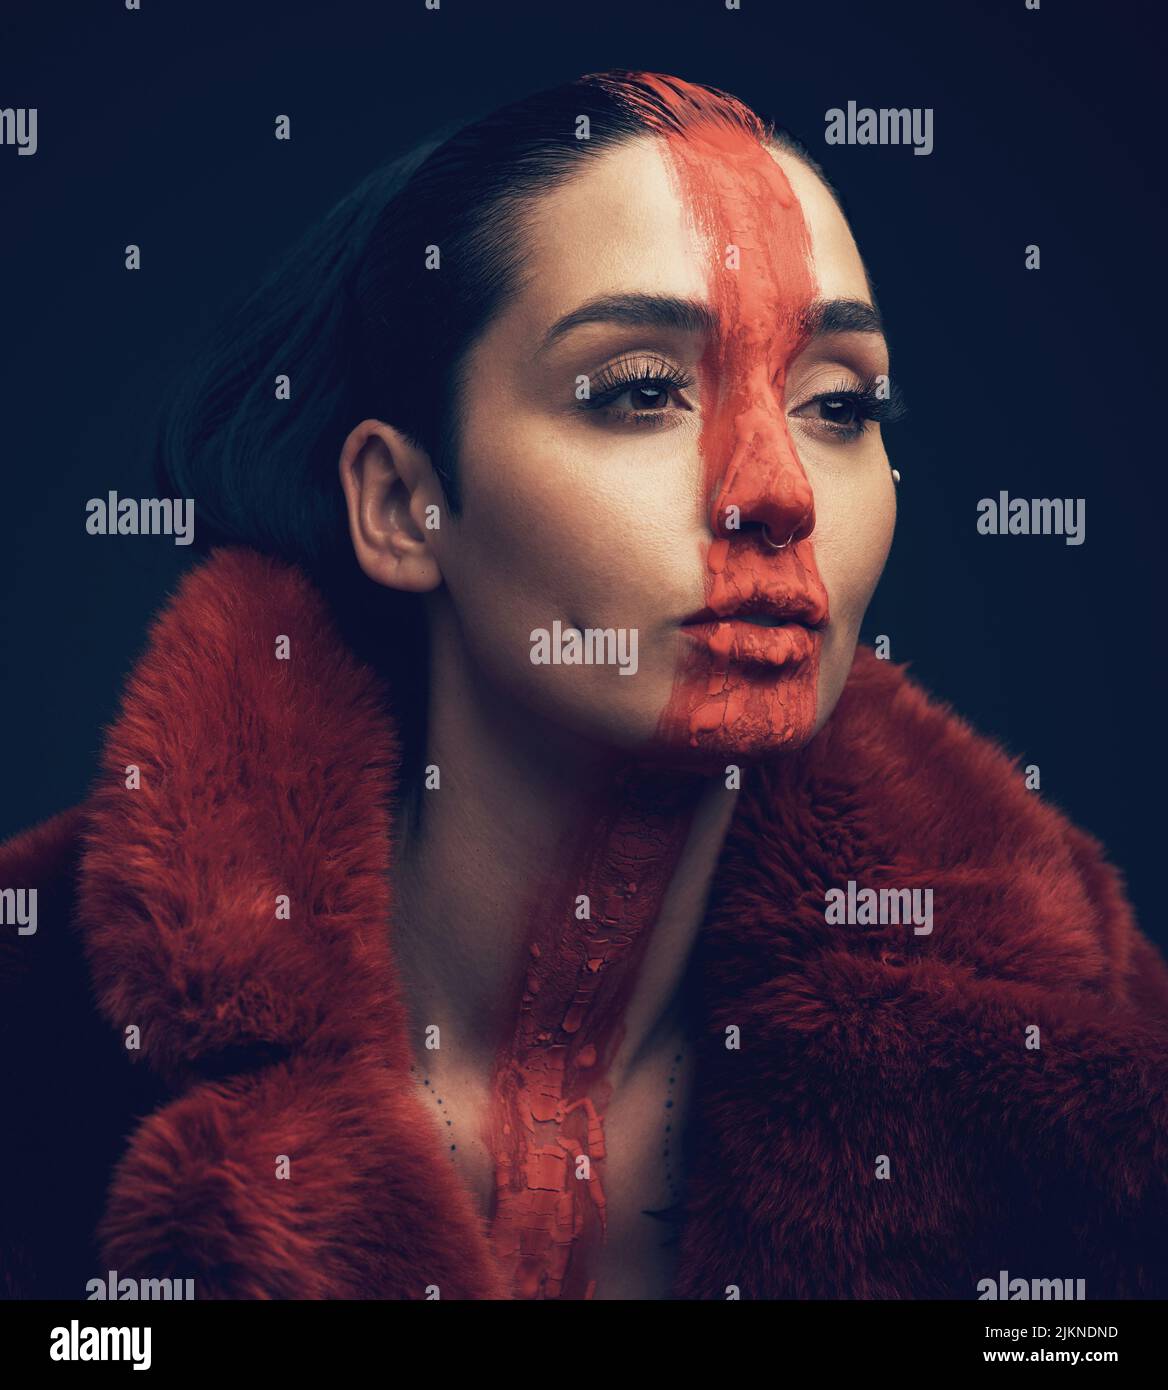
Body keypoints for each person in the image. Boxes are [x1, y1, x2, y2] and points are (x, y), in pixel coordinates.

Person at [3, 70, 1166, 1302]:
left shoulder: (1084, 1060)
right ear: (402, 504)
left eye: (837, 402)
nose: (775, 493)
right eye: (638, 391)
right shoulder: (36, 1031)